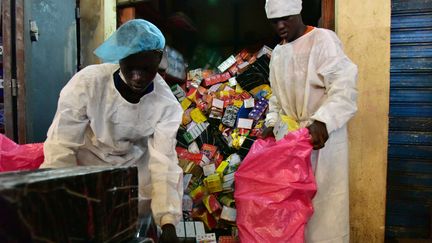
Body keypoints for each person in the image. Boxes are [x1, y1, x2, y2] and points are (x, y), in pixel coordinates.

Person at [41, 19, 182, 243]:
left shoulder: (166, 105)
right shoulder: (88, 84)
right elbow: (62, 143)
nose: (138, 77)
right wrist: (60, 198)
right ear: (120, 58)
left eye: (147, 69)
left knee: (125, 232)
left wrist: (167, 221)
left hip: (134, 170)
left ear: (159, 61)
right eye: (131, 67)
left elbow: (163, 162)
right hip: (88, 163)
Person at [263, 0, 358, 242]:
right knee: (294, 211)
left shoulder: (323, 40)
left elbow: (344, 87)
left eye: (287, 19)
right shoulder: (278, 54)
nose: (281, 26)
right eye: (275, 21)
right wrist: (271, 122)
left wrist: (322, 121)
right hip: (291, 144)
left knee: (326, 212)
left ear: (298, 12)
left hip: (323, 142)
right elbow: (276, 98)